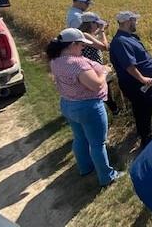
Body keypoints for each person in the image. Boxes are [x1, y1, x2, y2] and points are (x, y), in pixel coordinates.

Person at [46, 28, 121, 186]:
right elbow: (95, 85)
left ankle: (85, 168)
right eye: (81, 45)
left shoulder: (55, 60)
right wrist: (105, 72)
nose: (83, 48)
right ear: (72, 44)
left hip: (68, 104)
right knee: (97, 143)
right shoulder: (77, 63)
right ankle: (107, 177)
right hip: (88, 107)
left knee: (79, 138)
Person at [109, 11, 152, 148]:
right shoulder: (120, 41)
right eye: (134, 21)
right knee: (142, 109)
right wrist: (143, 79)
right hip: (137, 84)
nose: (136, 23)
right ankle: (146, 140)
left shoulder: (129, 37)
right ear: (127, 22)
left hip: (142, 83)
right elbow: (129, 65)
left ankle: (144, 129)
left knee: (144, 109)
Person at [78, 12, 120, 115]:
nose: (97, 26)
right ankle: (112, 111)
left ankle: (112, 110)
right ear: (90, 24)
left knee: (104, 90)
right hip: (93, 69)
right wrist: (102, 31)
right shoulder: (85, 35)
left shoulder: (83, 33)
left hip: (94, 68)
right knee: (103, 90)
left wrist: (101, 30)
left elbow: (93, 37)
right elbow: (104, 47)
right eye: (96, 24)